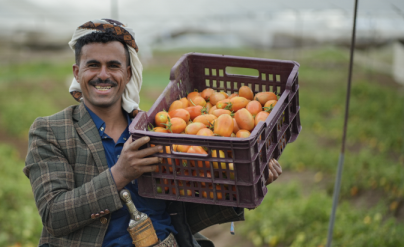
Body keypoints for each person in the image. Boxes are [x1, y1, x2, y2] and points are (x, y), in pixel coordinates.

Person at [24, 19, 283, 247]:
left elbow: (183, 211)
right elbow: (54, 214)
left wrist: (245, 183)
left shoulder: (154, 131)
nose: (103, 75)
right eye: (93, 65)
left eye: (113, 66)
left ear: (127, 74)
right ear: (77, 72)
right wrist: (120, 174)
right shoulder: (51, 131)